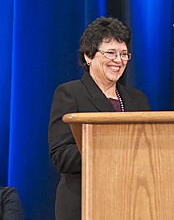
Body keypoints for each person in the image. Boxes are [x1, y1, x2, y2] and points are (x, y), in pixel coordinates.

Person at [48, 17, 151, 220]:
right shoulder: (70, 93)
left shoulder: (138, 99)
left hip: (131, 203)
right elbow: (60, 155)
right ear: (88, 55)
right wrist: (112, 153)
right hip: (84, 204)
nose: (118, 60)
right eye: (110, 53)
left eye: (124, 54)